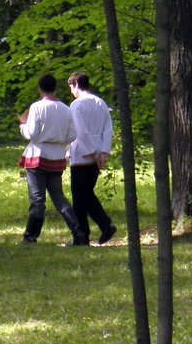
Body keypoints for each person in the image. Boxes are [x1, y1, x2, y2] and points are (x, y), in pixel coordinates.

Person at [17, 73, 85, 245]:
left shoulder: (37, 107)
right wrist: (59, 139)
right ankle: (78, 232)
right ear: (55, 88)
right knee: (58, 197)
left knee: (37, 199)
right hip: (56, 156)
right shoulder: (65, 108)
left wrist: (23, 125)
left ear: (40, 89)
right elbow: (73, 134)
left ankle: (30, 236)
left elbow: (31, 133)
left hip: (38, 156)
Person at [66, 72, 117, 246]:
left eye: (71, 87)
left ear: (75, 85)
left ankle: (84, 236)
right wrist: (102, 152)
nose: (71, 92)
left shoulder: (76, 105)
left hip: (82, 154)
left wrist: (94, 154)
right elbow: (108, 129)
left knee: (80, 197)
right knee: (86, 194)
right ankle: (102, 226)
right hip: (96, 153)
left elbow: (80, 132)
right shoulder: (100, 102)